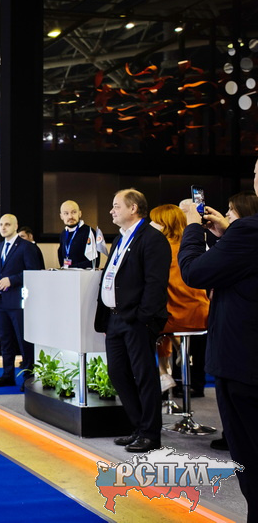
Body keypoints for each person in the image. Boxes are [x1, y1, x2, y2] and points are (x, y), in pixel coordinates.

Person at [178, 161, 258, 519]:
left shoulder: (250, 231)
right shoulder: (246, 233)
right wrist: (229, 233)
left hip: (243, 364)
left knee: (251, 465)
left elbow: (194, 271)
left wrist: (192, 228)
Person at [94, 188, 170, 453]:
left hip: (136, 319)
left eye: (116, 206)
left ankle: (150, 434)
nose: (111, 211)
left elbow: (155, 284)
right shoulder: (120, 238)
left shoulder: (152, 238)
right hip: (115, 319)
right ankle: (139, 427)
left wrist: (142, 316)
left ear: (133, 208)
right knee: (117, 373)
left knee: (144, 376)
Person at [147, 205, 209, 394]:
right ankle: (179, 353)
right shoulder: (191, 246)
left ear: (164, 223)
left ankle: (162, 373)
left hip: (177, 317)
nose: (150, 224)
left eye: (154, 221)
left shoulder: (160, 248)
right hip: (201, 314)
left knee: (144, 325)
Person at [0, 214, 44, 388]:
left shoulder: (26, 247)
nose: (3, 228)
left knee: (23, 341)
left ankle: (28, 377)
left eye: (7, 224)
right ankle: (7, 375)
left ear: (15, 226)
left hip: (19, 302)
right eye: (1, 225)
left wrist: (12, 280)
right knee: (5, 340)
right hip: (0, 301)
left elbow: (34, 272)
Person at [57, 200, 104, 269]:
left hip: (84, 274)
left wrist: (70, 267)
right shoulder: (63, 233)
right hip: (67, 273)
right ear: (61, 216)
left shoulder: (88, 231)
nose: (70, 216)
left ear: (80, 214)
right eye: (66, 213)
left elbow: (94, 262)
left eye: (74, 212)